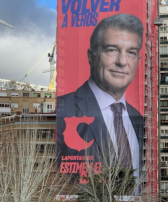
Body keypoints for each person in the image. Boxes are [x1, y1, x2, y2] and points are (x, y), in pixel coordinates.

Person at [56, 13, 144, 179]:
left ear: (138, 60)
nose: (122, 62)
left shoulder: (139, 119)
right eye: (112, 50)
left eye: (131, 52)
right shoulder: (62, 109)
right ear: (91, 56)